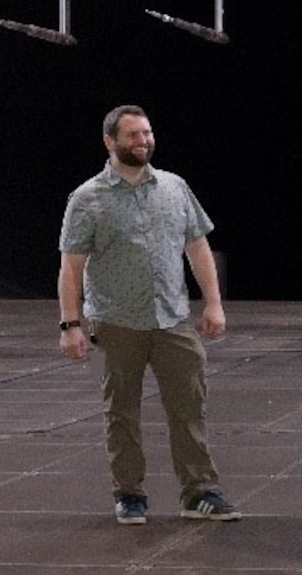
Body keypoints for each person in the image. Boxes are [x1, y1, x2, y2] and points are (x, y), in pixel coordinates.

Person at [58, 105, 239, 525]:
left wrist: (213, 303)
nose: (143, 141)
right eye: (133, 135)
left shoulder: (174, 188)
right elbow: (72, 266)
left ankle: (199, 493)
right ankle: (130, 494)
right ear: (110, 142)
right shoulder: (87, 199)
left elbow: (197, 247)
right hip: (116, 323)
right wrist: (70, 325)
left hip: (172, 320)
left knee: (189, 407)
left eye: (147, 133)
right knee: (121, 412)